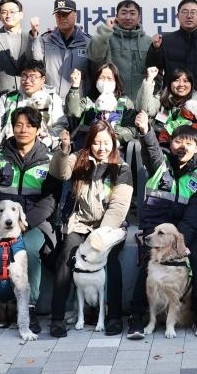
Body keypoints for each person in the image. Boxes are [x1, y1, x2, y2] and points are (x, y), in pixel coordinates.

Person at [0, 107, 62, 336]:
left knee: (30, 251)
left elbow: (50, 200)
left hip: (34, 222)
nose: (23, 129)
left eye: (29, 125)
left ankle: (30, 308)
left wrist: (26, 223)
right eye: (18, 124)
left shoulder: (48, 159)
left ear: (37, 129)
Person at [126, 118, 197, 340]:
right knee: (147, 268)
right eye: (178, 141)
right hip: (155, 232)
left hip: (186, 234)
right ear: (170, 143)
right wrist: (145, 132)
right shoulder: (160, 164)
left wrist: (177, 244)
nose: (183, 146)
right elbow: (151, 148)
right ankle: (136, 317)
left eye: (189, 143)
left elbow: (195, 216)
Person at [48, 120, 133, 337]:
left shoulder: (121, 168)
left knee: (110, 260)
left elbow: (119, 206)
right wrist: (64, 151)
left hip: (108, 229)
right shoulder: (78, 159)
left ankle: (113, 316)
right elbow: (60, 173)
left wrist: (99, 238)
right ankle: (57, 318)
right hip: (80, 223)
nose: (101, 148)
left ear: (113, 143)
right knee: (67, 255)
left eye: (106, 143)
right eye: (96, 143)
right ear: (89, 143)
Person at [146, 0, 197, 117]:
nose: (189, 16)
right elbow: (152, 68)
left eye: (193, 12)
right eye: (184, 12)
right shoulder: (166, 41)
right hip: (170, 105)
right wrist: (155, 49)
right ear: (177, 16)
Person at [0, 59, 67, 152]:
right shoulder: (8, 98)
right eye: (24, 76)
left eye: (33, 77)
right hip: (9, 149)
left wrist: (46, 140)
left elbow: (60, 125)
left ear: (43, 79)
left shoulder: (53, 99)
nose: (27, 81)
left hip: (43, 150)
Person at [87, 0, 152, 102]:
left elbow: (156, 73)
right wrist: (105, 30)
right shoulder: (107, 37)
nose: (128, 17)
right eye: (123, 13)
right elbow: (95, 56)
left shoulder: (148, 41)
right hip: (112, 103)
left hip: (141, 103)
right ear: (116, 16)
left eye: (132, 13)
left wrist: (149, 96)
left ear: (139, 17)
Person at [33, 0, 92, 100]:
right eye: (58, 15)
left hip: (78, 104)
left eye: (65, 14)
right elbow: (35, 62)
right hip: (50, 102)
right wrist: (34, 36)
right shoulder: (45, 40)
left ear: (75, 15)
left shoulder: (88, 42)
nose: (62, 18)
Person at [136, 66, 197, 146]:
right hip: (160, 146)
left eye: (186, 81)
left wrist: (188, 144)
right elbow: (144, 108)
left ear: (191, 84)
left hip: (187, 149)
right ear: (170, 83)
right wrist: (149, 80)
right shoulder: (161, 98)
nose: (181, 84)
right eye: (176, 80)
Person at [66, 63, 138, 145]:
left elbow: (132, 130)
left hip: (115, 148)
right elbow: (72, 112)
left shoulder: (124, 102)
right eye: (102, 78)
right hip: (88, 145)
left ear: (116, 81)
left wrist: (111, 133)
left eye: (109, 78)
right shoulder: (88, 100)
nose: (105, 82)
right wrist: (75, 86)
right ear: (96, 80)